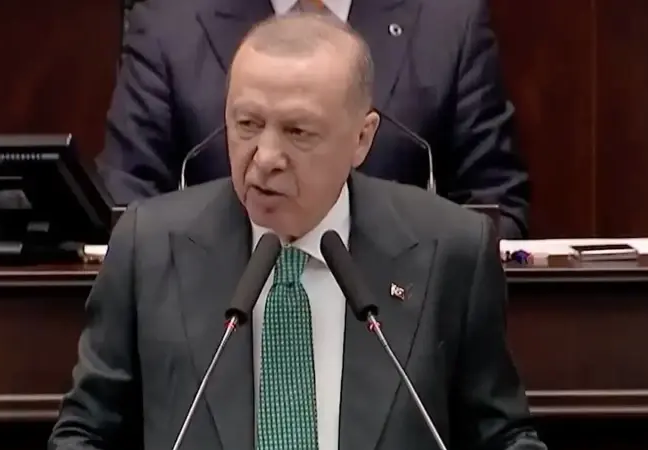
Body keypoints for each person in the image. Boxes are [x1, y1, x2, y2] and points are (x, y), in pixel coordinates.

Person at [49, 13, 545, 450]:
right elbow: (86, 432)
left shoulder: (451, 250)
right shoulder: (148, 247)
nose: (265, 158)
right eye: (247, 124)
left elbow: (503, 436)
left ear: (362, 138)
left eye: (298, 132)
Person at [97, 0, 531, 239]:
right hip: (215, 320)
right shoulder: (169, 24)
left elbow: (494, 206)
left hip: (396, 322)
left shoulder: (448, 20)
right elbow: (126, 204)